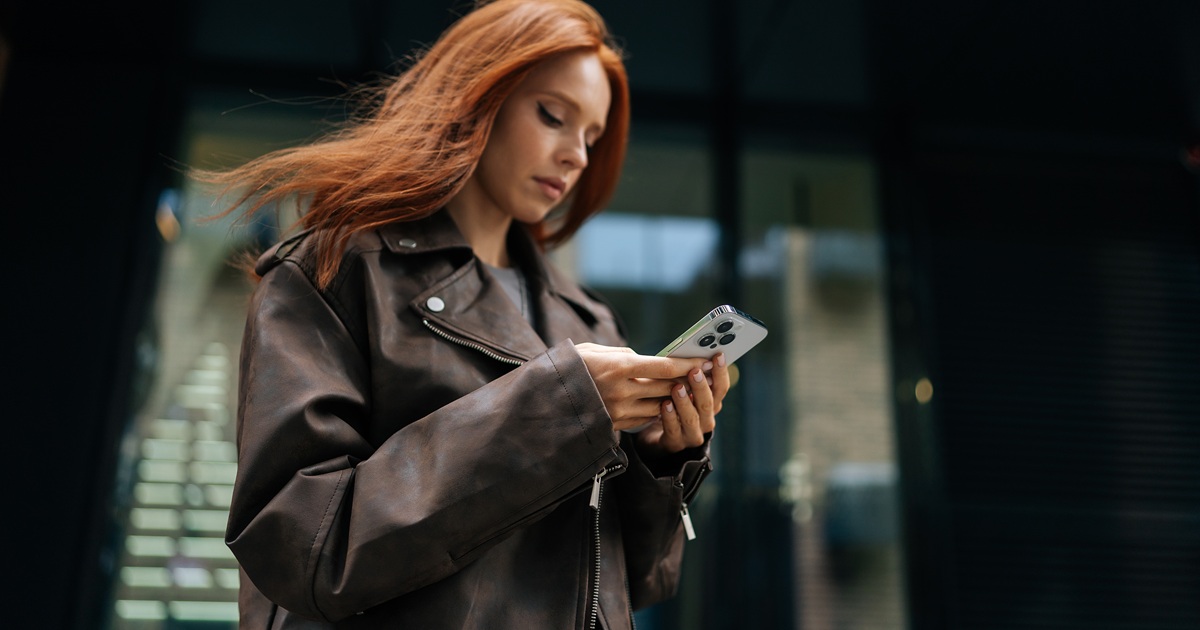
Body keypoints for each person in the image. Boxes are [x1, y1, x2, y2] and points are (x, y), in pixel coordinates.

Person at [199, 1, 730, 627]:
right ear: (478, 97)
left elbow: (638, 580)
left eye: (591, 137)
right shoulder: (334, 270)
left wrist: (661, 459)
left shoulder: (589, 321)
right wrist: (559, 408)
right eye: (553, 116)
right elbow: (302, 544)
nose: (578, 156)